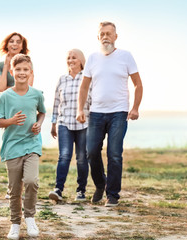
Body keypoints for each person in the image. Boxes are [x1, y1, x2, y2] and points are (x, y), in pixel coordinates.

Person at [76, 21, 143, 207]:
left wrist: (135, 108)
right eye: (102, 34)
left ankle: (112, 195)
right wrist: (80, 109)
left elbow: (138, 84)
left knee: (114, 154)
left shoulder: (126, 56)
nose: (105, 37)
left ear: (115, 37)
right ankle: (100, 184)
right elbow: (84, 87)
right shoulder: (92, 58)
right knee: (91, 152)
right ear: (98, 37)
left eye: (109, 33)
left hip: (118, 113)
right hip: (96, 113)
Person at [0, 54, 46, 239]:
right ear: (12, 72)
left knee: (31, 181)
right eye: (18, 70)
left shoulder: (37, 94)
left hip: (32, 144)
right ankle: (15, 223)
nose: (22, 73)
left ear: (30, 72)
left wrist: (38, 124)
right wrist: (11, 121)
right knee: (15, 189)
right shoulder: (5, 96)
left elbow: (41, 113)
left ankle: (30, 218)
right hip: (12, 147)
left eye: (25, 70)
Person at [48, 49, 90, 202]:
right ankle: (58, 189)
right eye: (68, 58)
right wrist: (53, 123)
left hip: (84, 124)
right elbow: (56, 103)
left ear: (81, 61)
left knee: (81, 158)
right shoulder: (62, 79)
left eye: (74, 57)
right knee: (64, 156)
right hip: (64, 123)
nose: (71, 60)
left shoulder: (87, 78)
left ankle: (81, 191)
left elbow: (92, 101)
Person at [0, 32, 33, 200]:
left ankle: (21, 186)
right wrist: (6, 66)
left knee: (24, 142)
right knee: (10, 145)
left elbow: (29, 85)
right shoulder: (0, 65)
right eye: (12, 41)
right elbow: (1, 87)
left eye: (18, 42)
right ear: (7, 44)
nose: (15, 44)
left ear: (22, 45)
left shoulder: (28, 62)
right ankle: (13, 186)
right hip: (7, 109)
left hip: (24, 105)